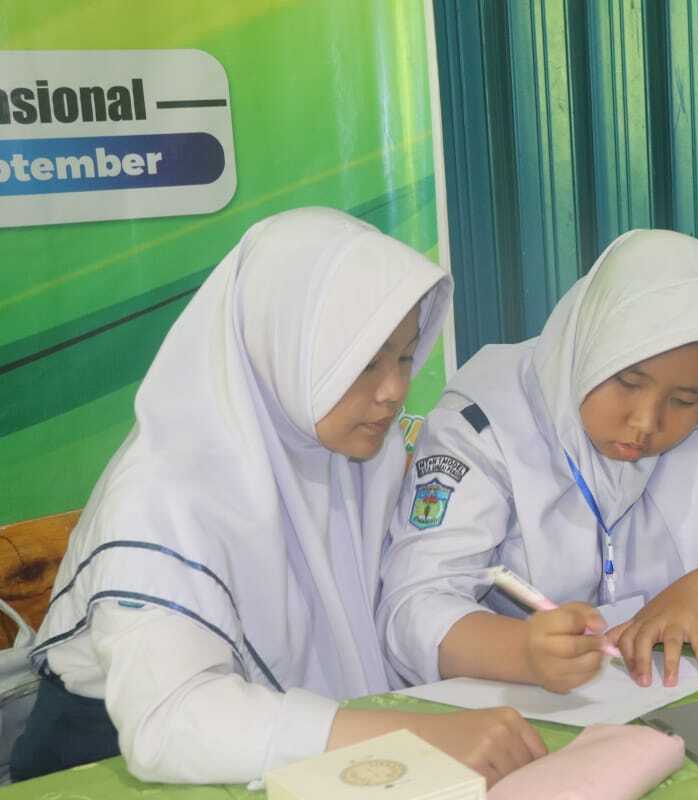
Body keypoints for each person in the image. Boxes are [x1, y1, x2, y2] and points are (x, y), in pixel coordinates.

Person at [13, 208, 545, 786]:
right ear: (280, 351)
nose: (395, 389)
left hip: (293, 749)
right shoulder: (162, 494)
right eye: (365, 362)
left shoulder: (361, 455)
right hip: (103, 762)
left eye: (404, 357)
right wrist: (411, 736)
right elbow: (171, 724)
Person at [378, 229, 698, 693]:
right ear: (588, 346)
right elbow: (413, 605)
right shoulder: (487, 420)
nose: (646, 421)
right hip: (513, 709)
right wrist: (521, 652)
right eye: (627, 383)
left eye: (684, 400)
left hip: (668, 697)